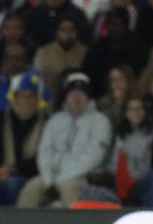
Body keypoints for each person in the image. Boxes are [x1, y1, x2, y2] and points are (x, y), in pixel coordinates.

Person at [17, 72, 112, 207]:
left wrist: (62, 178)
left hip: (84, 177)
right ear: (66, 96)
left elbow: (94, 157)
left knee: (68, 187)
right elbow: (44, 153)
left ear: (88, 97)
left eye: (81, 93)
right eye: (73, 94)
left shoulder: (100, 121)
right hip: (51, 176)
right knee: (31, 188)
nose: (77, 97)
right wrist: (50, 180)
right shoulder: (55, 121)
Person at [0, 71, 48, 205]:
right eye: (20, 95)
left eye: (31, 96)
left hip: (30, 175)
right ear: (13, 97)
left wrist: (13, 169)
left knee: (12, 185)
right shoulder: (2, 119)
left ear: (38, 100)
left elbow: (45, 157)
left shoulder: (47, 123)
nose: (25, 101)